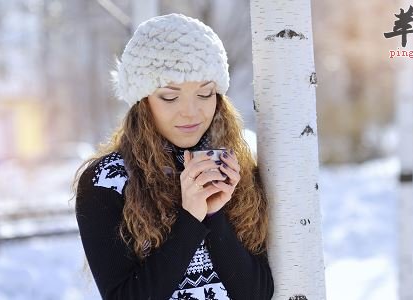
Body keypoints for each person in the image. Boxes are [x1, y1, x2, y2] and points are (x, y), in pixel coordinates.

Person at [72, 13, 273, 300]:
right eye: (169, 96)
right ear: (142, 101)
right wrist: (190, 218)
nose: (191, 112)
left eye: (205, 94)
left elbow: (257, 293)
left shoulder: (233, 167)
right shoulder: (106, 181)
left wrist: (215, 214)